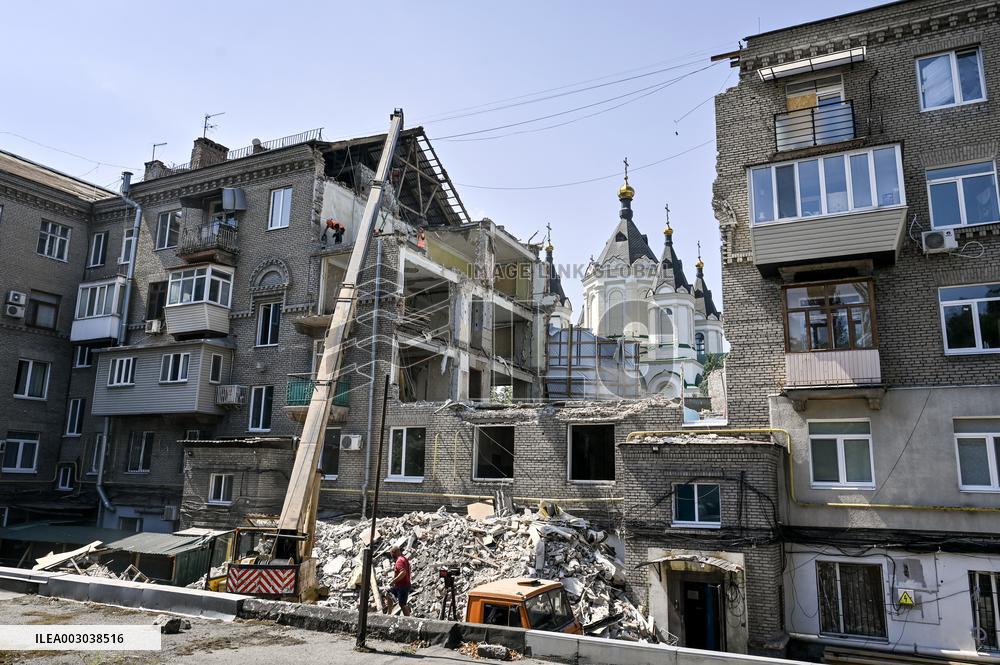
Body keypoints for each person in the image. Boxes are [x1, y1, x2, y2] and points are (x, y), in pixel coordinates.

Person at [384, 545, 411, 616]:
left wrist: (393, 581)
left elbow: (403, 572)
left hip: (403, 586)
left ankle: (409, 619)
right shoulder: (404, 558)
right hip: (401, 585)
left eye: (392, 553)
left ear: (395, 552)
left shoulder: (399, 561)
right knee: (389, 593)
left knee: (402, 604)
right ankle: (389, 613)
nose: (391, 555)